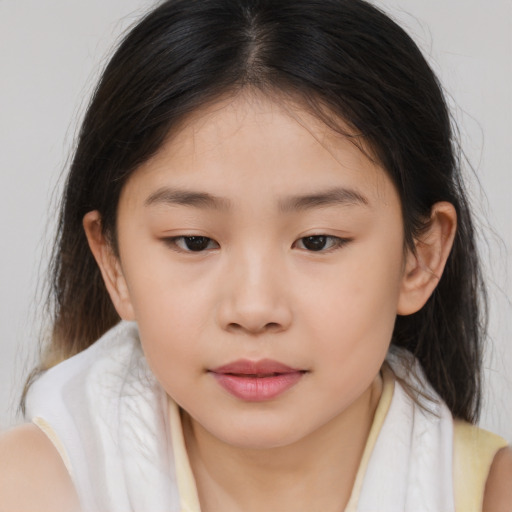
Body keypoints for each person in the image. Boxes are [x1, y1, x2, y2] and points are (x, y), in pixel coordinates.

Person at [0, 0, 510, 510]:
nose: (253, 308)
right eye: (194, 241)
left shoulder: (491, 494)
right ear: (114, 263)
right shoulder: (26, 488)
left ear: (419, 257)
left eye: (317, 241)